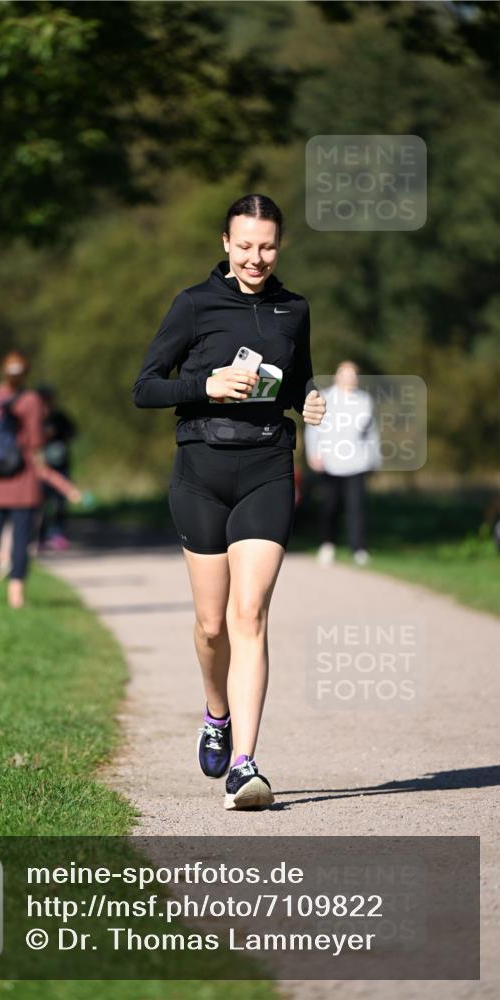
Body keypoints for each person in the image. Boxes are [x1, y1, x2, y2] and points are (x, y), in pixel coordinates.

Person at [132, 193, 326, 810]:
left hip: (268, 468)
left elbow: (298, 379)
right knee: (213, 626)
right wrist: (206, 385)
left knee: (250, 615)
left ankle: (244, 765)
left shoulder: (294, 309)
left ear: (279, 246)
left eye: (267, 247)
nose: (255, 258)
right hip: (200, 474)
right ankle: (216, 714)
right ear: (225, 243)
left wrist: (310, 400)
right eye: (244, 246)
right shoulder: (193, 304)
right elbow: (145, 388)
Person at [0, 352, 44, 610]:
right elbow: (35, 440)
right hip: (22, 478)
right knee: (21, 538)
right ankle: (16, 595)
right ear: (26, 373)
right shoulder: (31, 399)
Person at [305, 360, 381, 567]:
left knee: (357, 508)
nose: (348, 378)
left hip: (357, 463)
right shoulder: (325, 397)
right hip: (330, 462)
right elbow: (313, 428)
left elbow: (372, 433)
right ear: (337, 376)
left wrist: (375, 460)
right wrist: (313, 453)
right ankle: (327, 544)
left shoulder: (364, 401)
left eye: (352, 375)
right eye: (344, 374)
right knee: (330, 507)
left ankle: (359, 549)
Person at [37, 385, 78, 551]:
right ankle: (40, 536)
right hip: (41, 467)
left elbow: (73, 433)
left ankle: (58, 534)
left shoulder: (59, 417)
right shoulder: (34, 418)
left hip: (60, 465)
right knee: (41, 504)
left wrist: (58, 433)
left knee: (60, 503)